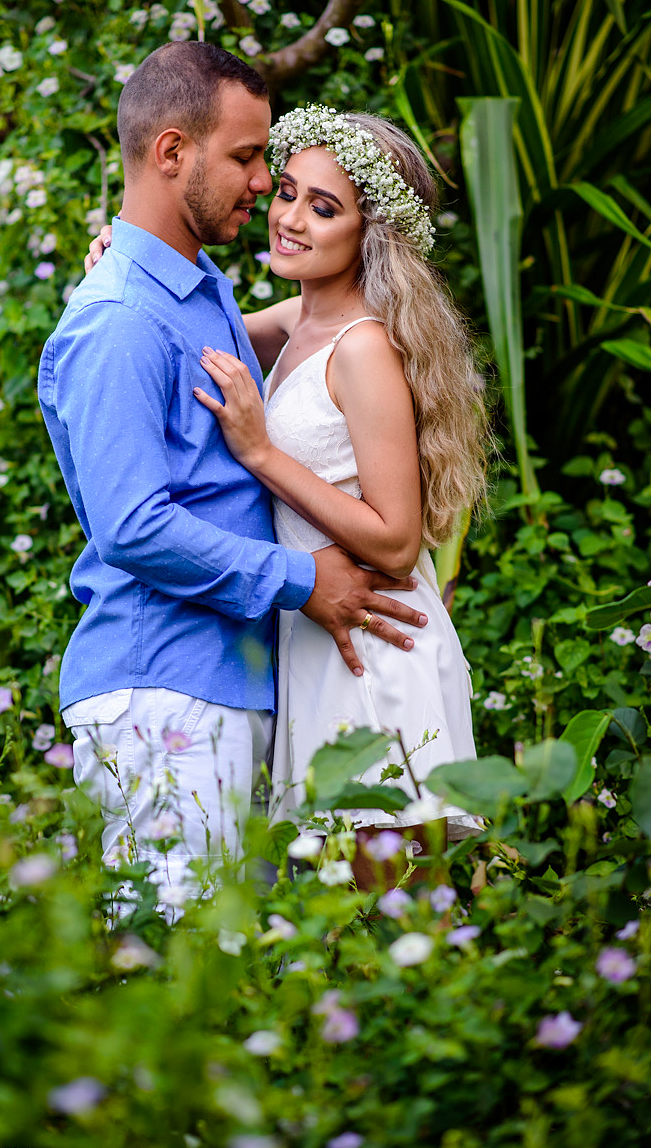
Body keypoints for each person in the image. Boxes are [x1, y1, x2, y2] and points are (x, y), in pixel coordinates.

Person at [38, 46, 427, 898]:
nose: (263, 183)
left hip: (231, 686)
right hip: (161, 691)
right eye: (248, 159)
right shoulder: (119, 324)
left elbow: (337, 314)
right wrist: (302, 578)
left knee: (237, 983)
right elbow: (133, 526)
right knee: (184, 982)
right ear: (172, 152)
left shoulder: (196, 291)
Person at [87, 104, 487, 846]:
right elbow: (188, 312)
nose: (290, 218)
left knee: (398, 918)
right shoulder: (294, 324)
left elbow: (397, 542)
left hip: (375, 640)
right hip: (314, 638)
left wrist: (261, 453)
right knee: (341, 929)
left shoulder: (362, 348)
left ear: (371, 234)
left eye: (324, 207)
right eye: (287, 192)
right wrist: (124, 255)